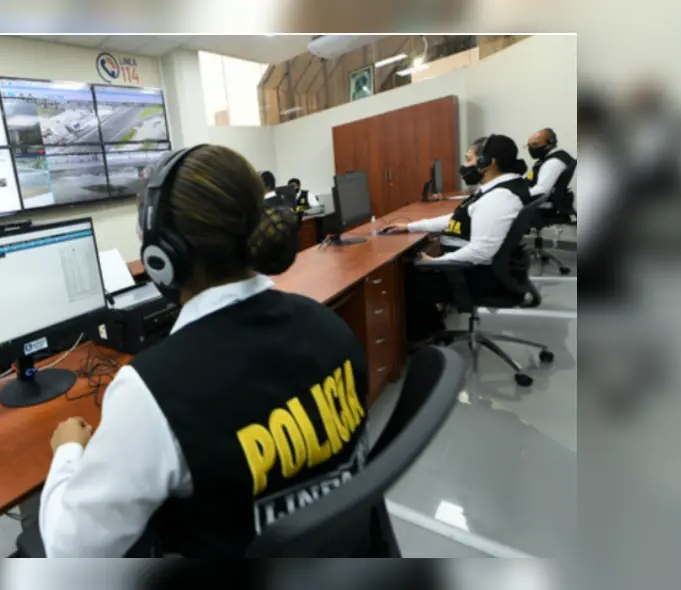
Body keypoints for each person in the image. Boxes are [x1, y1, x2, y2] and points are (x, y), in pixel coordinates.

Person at [39, 144, 380, 558]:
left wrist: (68, 451)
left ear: (163, 257)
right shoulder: (331, 326)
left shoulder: (151, 393)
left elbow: (70, 550)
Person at [385, 134, 531, 343]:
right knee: (412, 263)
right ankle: (432, 330)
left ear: (487, 162)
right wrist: (410, 226)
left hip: (479, 275)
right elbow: (458, 218)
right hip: (482, 268)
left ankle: (422, 338)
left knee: (403, 276)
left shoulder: (499, 197)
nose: (465, 166)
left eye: (469, 159)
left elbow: (481, 251)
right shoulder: (497, 188)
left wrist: (435, 262)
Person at [525, 128, 576, 208]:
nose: (531, 149)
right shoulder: (544, 160)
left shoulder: (553, 162)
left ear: (549, 143)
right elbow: (530, 179)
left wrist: (517, 195)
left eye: (535, 144)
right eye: (529, 146)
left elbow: (541, 191)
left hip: (543, 207)